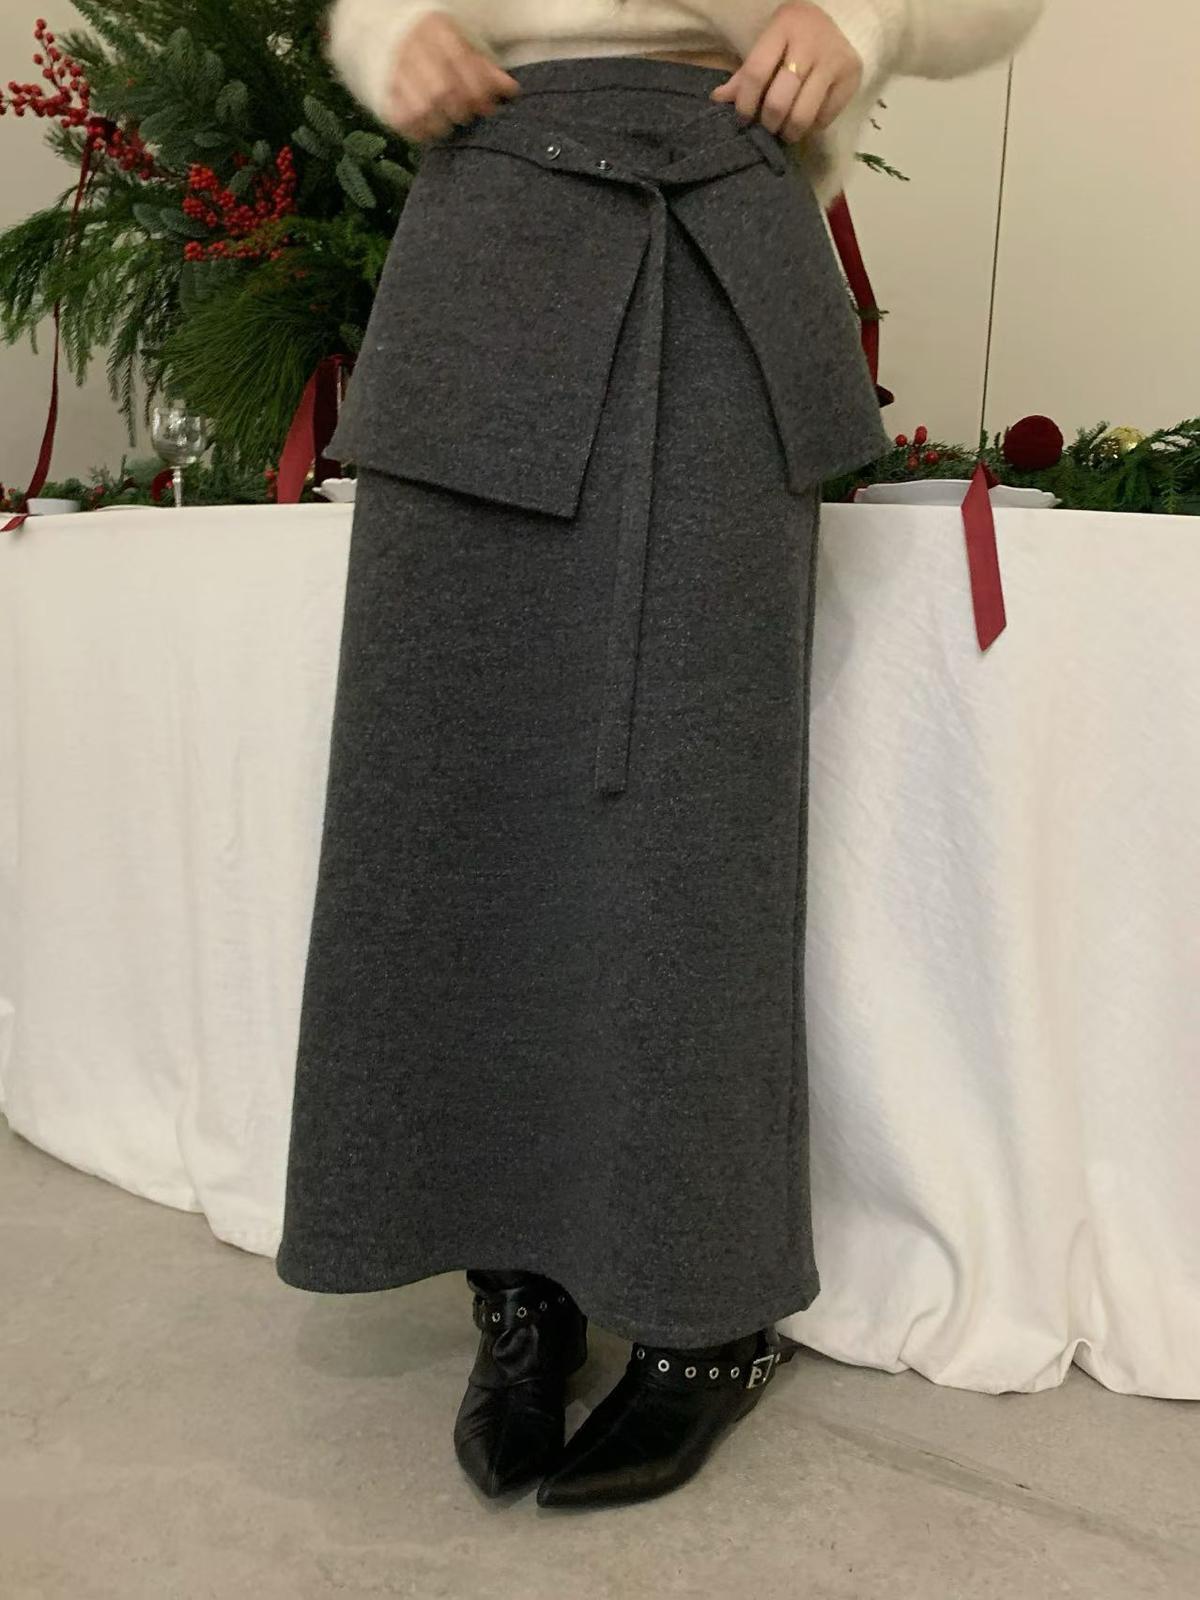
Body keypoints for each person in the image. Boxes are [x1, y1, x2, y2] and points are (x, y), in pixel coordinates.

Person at [275, 0, 1045, 1509]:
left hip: (720, 216)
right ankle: (514, 1273)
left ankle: (708, 1315)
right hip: (490, 220)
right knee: (443, 781)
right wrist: (388, 31)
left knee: (694, 803)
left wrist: (866, 18)